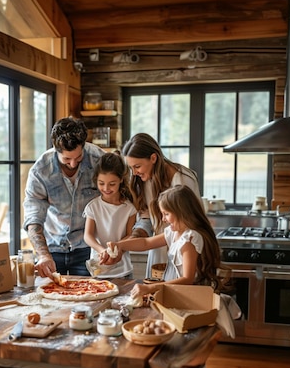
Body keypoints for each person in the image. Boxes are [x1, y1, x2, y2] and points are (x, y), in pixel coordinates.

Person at [107, 184, 231, 368]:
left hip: (195, 310)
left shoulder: (191, 239)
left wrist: (153, 286)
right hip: (182, 307)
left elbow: (188, 277)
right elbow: (148, 242)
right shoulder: (177, 232)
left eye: (167, 215)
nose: (164, 220)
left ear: (183, 214)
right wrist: (119, 245)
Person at [23, 117, 104, 278]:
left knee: (88, 298)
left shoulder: (99, 160)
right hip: (52, 248)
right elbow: (33, 218)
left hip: (87, 247)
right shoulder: (40, 170)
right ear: (55, 148)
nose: (73, 164)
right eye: (67, 159)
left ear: (84, 145)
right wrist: (43, 255)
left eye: (78, 157)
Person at [121, 133, 200, 278]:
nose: (134, 173)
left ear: (153, 158)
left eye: (137, 166)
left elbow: (191, 222)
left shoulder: (182, 179)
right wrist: (135, 236)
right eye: (131, 167)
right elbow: (146, 217)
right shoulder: (145, 179)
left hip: (183, 252)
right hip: (158, 249)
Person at [83, 152, 137, 278]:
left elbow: (131, 235)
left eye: (112, 184)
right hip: (99, 269)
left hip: (124, 270)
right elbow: (88, 235)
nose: (106, 188)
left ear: (121, 180)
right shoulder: (93, 207)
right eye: (101, 183)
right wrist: (101, 250)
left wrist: (117, 249)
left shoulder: (129, 208)